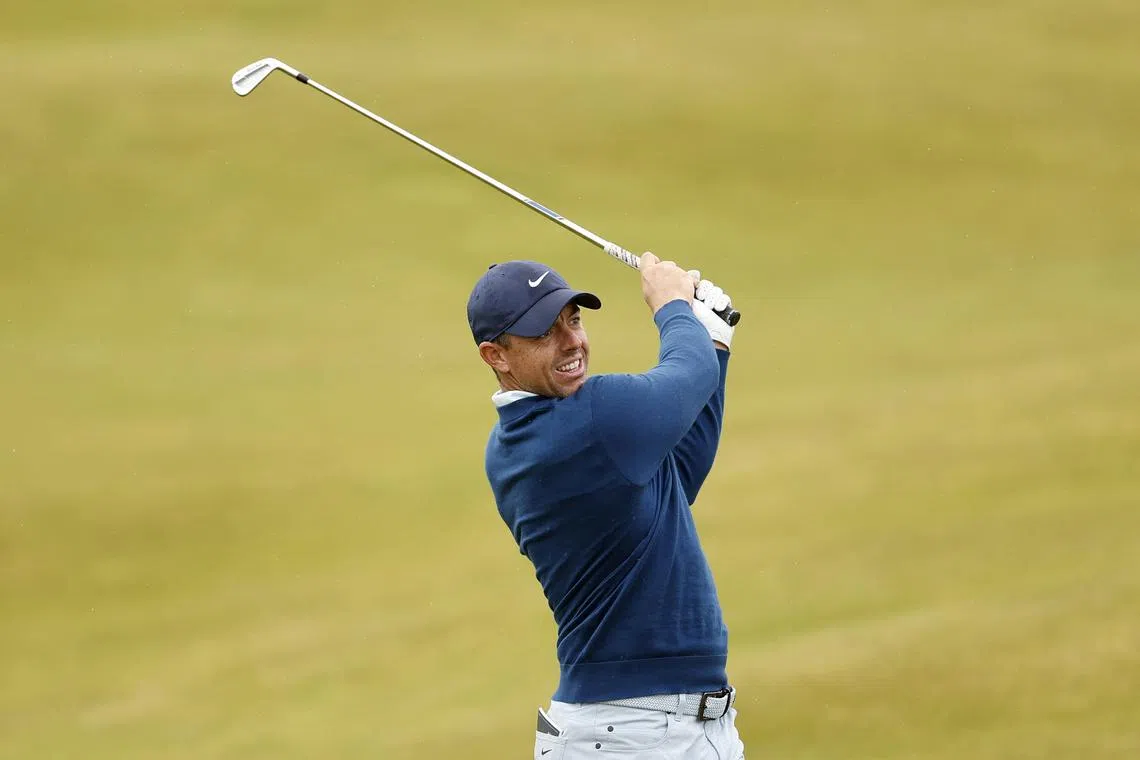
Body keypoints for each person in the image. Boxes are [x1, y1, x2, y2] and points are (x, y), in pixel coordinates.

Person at [466, 252, 744, 760]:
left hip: (662, 728)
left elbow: (679, 475)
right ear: (496, 356)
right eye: (544, 333)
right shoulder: (592, 420)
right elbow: (687, 373)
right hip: (629, 733)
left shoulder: (527, 439)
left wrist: (715, 343)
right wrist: (674, 306)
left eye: (573, 320)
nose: (572, 341)